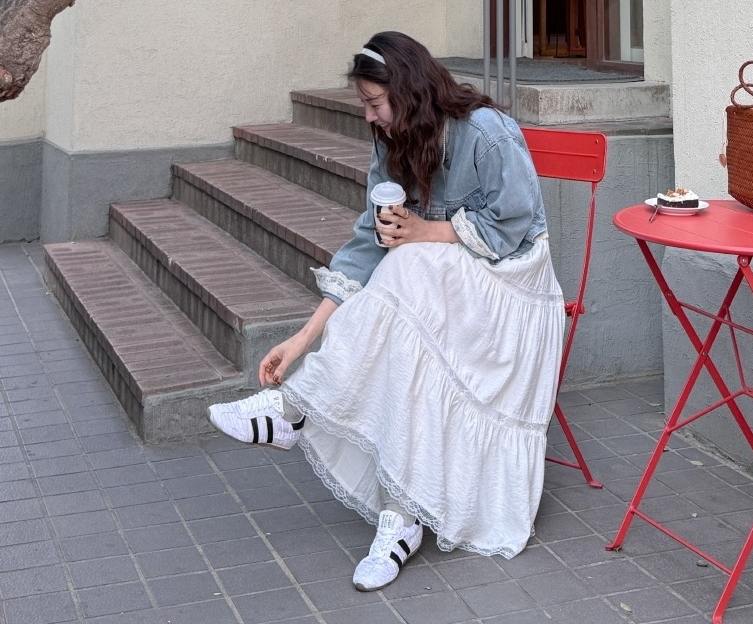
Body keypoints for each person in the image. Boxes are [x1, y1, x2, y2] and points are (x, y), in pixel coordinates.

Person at [207, 31, 565, 591]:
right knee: (404, 301)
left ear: (410, 90)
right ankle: (399, 516)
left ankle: (295, 412)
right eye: (366, 105)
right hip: (437, 290)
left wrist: (425, 232)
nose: (370, 116)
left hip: (512, 287)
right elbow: (368, 245)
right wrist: (301, 339)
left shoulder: (486, 132)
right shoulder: (394, 143)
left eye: (375, 103)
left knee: (409, 265)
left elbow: (513, 228)